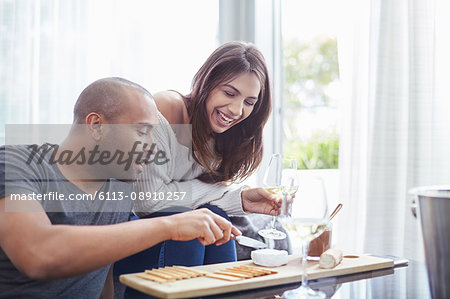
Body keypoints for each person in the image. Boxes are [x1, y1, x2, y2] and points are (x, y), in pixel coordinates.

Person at [0, 77, 241, 298]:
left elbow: (103, 275)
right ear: (95, 125)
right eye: (142, 132)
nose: (152, 146)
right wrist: (171, 225)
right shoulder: (16, 164)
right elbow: (37, 254)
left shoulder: (120, 187)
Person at [114, 42, 279, 286]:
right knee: (189, 223)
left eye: (249, 102)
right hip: (129, 231)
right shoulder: (166, 109)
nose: (236, 110)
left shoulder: (228, 134)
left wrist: (239, 199)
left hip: (172, 235)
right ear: (208, 82)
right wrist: (228, 193)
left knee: (214, 216)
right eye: (230, 93)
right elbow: (147, 202)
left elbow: (198, 198)